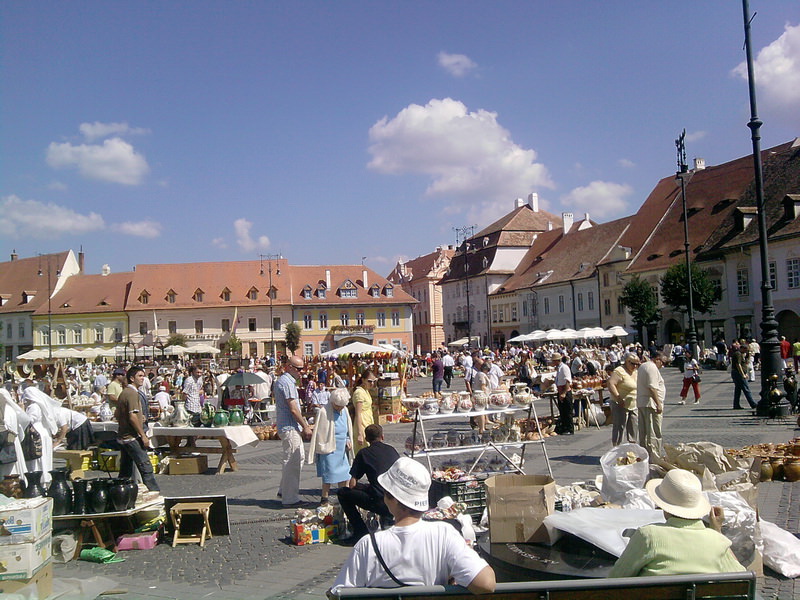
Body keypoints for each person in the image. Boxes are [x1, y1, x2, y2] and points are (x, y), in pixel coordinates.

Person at [332, 457, 496, 593]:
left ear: (392, 499)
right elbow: (487, 583)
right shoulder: (444, 534)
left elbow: (340, 593)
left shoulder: (368, 545)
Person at [609, 469, 745, 577]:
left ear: (663, 506)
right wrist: (717, 531)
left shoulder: (648, 535)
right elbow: (742, 578)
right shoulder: (717, 541)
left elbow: (617, 579)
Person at [337, 424, 399, 543]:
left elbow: (352, 484)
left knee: (342, 493)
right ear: (382, 436)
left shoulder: (364, 453)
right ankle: (388, 519)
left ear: (366, 439)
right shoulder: (392, 450)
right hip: (397, 499)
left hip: (380, 501)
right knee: (371, 488)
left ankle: (360, 531)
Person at [274, 355, 312, 507]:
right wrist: (306, 426)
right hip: (289, 426)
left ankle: (284, 490)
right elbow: (294, 409)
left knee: (298, 457)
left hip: (288, 426)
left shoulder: (286, 381)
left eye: (303, 369)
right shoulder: (287, 383)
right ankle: (290, 498)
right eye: (299, 369)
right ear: (289, 367)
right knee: (292, 461)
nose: (301, 372)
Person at [115, 366, 160, 492]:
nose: (142, 378)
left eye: (143, 376)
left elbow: (118, 415)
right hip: (131, 437)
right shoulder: (132, 393)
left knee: (125, 472)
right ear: (131, 378)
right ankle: (155, 494)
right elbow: (132, 416)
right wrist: (143, 436)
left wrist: (141, 417)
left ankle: (120, 494)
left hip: (124, 436)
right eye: (140, 376)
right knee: (146, 468)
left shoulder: (124, 392)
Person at [307, 387, 354, 504]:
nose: (340, 408)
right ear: (332, 402)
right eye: (338, 406)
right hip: (329, 446)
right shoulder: (324, 411)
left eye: (342, 406)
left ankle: (344, 495)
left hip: (342, 447)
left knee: (345, 473)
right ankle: (324, 497)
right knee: (329, 472)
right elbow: (321, 431)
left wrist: (348, 438)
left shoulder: (345, 411)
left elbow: (348, 427)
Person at [22, 387, 60, 485]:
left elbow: (29, 420)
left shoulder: (33, 406)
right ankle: (45, 476)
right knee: (44, 456)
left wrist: (22, 410)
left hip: (37, 432)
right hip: (44, 432)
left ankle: (38, 478)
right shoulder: (40, 405)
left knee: (38, 456)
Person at [637, 352, 668, 462]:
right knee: (653, 432)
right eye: (663, 363)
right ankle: (653, 457)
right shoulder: (651, 367)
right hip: (650, 404)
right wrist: (658, 403)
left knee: (644, 433)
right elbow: (652, 387)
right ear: (657, 359)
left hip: (643, 403)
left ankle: (646, 456)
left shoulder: (643, 366)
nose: (662, 365)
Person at [607, 352, 639, 446]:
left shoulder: (636, 372)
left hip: (633, 403)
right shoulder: (619, 371)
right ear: (626, 362)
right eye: (632, 363)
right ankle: (616, 447)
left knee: (634, 426)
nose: (635, 366)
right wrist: (618, 398)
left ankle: (632, 447)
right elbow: (611, 384)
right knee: (619, 426)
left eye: (637, 364)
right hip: (619, 403)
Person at [0, 388, 29, 480]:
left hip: (8, 441)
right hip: (13, 439)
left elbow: (6, 428)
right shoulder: (12, 409)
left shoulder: (5, 411)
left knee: (8, 466)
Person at [352, 370, 377, 454]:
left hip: (368, 423)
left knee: (369, 450)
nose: (372, 383)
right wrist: (359, 433)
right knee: (362, 451)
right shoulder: (359, 392)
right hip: (362, 425)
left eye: (374, 381)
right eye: (369, 381)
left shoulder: (366, 391)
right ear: (363, 380)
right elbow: (358, 413)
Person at [731, 345, 757, 410]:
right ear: (742, 348)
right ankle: (753, 404)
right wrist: (743, 374)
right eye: (746, 350)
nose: (746, 351)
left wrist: (745, 373)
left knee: (738, 389)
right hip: (738, 373)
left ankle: (736, 404)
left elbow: (744, 364)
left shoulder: (740, 354)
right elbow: (738, 365)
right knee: (746, 388)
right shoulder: (738, 354)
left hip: (737, 373)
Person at [554, 354, 574, 435]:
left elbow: (567, 381)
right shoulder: (559, 368)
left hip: (565, 391)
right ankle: (564, 427)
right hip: (560, 390)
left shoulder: (564, 367)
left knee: (567, 411)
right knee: (562, 411)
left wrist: (564, 393)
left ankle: (569, 428)